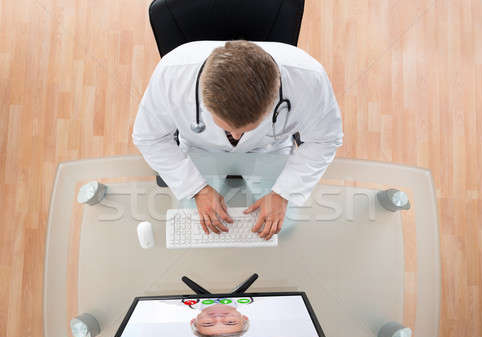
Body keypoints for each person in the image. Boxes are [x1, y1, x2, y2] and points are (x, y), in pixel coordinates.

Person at [132, 40, 344, 239]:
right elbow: (149, 137)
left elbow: (324, 140)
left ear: (273, 102)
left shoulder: (309, 78)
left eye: (246, 129)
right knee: (197, 226)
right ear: (205, 101)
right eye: (226, 128)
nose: (235, 138)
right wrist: (197, 188)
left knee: (281, 229)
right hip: (201, 148)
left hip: (269, 149)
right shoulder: (171, 75)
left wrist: (283, 192)